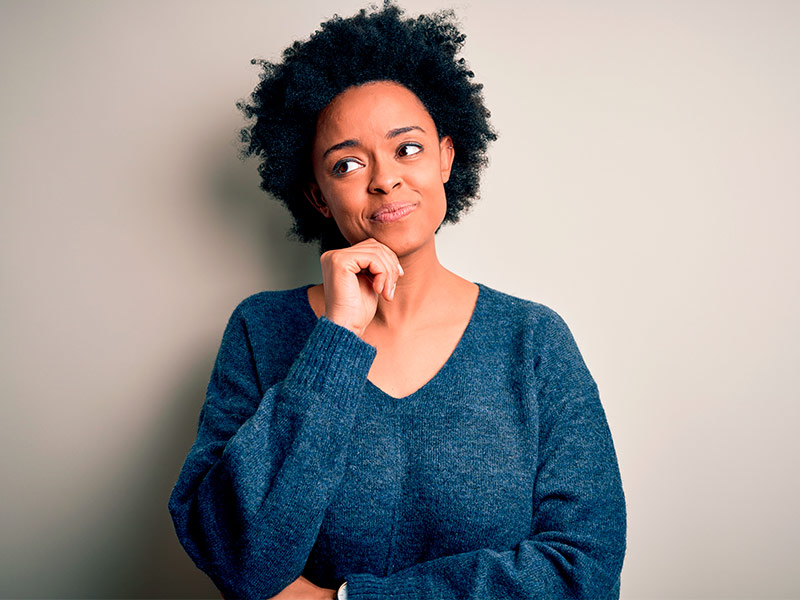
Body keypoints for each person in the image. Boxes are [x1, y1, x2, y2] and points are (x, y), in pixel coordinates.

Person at [168, 3, 626, 599]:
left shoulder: (532, 340)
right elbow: (238, 556)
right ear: (319, 196)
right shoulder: (261, 329)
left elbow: (583, 573)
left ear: (446, 157)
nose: (384, 179)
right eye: (348, 163)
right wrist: (337, 338)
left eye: (406, 149)